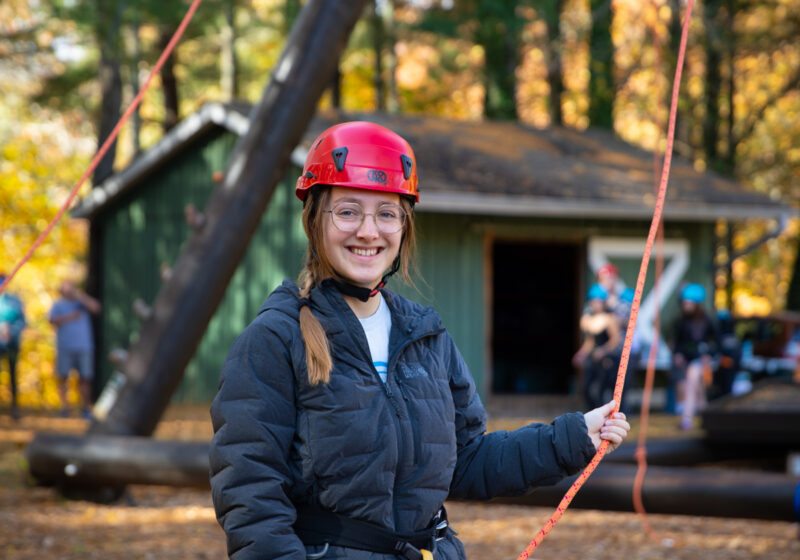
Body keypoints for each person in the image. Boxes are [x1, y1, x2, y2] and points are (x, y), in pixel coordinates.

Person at [209, 122, 630, 560]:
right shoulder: (275, 340)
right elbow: (250, 497)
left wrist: (575, 435)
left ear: (404, 226)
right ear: (316, 220)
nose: (368, 231)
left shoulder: (425, 336)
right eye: (348, 211)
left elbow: (466, 461)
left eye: (386, 213)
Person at [49, 280, 101, 418]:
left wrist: (81, 296)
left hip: (84, 347)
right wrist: (70, 317)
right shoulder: (58, 305)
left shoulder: (82, 302)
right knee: (63, 377)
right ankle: (64, 408)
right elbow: (51, 320)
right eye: (67, 288)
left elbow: (96, 308)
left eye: (72, 287)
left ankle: (85, 408)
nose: (70, 290)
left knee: (85, 377)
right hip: (65, 347)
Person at [669, 283, 718, 431]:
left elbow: (717, 342)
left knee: (692, 380)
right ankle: (707, 419)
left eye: (689, 303)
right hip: (689, 360)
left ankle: (687, 418)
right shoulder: (681, 321)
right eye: (684, 302)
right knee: (698, 390)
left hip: (704, 361)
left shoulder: (707, 321)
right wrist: (678, 354)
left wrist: (709, 355)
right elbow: (678, 343)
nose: (686, 306)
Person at [573, 283, 621, 410]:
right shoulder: (590, 318)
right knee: (587, 388)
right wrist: (581, 354)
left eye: (598, 302)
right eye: (593, 302)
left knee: (601, 390)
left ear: (603, 302)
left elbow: (615, 340)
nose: (595, 304)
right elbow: (590, 341)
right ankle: (592, 414)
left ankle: (603, 416)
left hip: (607, 359)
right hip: (593, 359)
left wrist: (603, 350)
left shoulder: (609, 318)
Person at [0, 273, 26, 420]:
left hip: (12, 345)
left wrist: (11, 332)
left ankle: (14, 408)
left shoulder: (15, 301)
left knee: (13, 375)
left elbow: (22, 321)